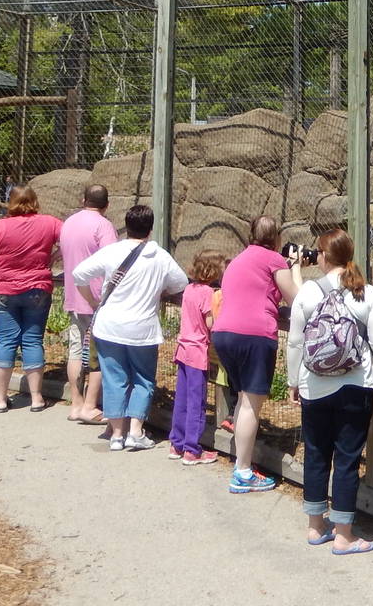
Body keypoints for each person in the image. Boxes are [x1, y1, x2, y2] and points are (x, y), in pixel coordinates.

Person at [287, 228, 373, 555]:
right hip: (355, 386)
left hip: (314, 386)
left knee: (317, 453)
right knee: (347, 459)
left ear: (321, 256)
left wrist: (293, 381)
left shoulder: (306, 292)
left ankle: (316, 527)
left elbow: (294, 342)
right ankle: (344, 534)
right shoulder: (365, 292)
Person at [70, 204, 187, 451]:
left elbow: (79, 273)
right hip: (142, 330)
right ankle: (136, 431)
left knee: (115, 379)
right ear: (150, 228)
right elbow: (180, 283)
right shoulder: (159, 256)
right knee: (143, 379)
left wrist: (91, 300)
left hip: (109, 327)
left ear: (127, 226)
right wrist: (158, 289)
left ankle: (116, 435)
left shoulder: (113, 251)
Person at [213, 214, 300, 493]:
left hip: (224, 333)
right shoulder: (273, 259)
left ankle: (241, 461)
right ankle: (243, 471)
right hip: (254, 334)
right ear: (277, 238)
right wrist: (295, 268)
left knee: (242, 400)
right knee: (251, 403)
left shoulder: (240, 259)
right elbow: (295, 299)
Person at [0, 185, 61, 413]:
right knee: (33, 340)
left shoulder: (2, 225)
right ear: (34, 200)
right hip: (37, 288)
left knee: (5, 341)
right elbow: (70, 239)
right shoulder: (50, 223)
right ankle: (36, 398)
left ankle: (2, 399)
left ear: (10, 202)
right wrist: (55, 255)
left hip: (3, 289)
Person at [59, 182, 118, 423]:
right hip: (98, 300)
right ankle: (91, 406)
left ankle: (76, 403)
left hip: (74, 294)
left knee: (75, 349)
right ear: (107, 204)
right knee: (98, 353)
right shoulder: (104, 226)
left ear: (84, 201)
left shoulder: (69, 222)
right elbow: (113, 261)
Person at [170, 249, 222, 465]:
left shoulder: (189, 289)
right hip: (198, 351)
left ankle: (176, 443)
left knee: (181, 399)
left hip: (183, 349)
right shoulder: (208, 294)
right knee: (196, 401)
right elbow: (210, 323)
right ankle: (192, 449)